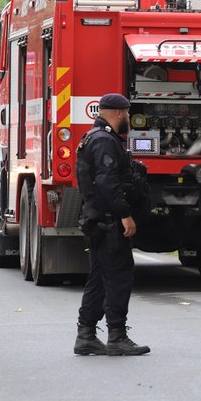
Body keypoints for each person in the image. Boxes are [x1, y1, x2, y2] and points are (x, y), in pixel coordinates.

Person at [73, 93, 150, 356]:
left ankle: (86, 336)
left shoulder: (93, 138)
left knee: (98, 279)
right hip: (108, 221)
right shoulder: (105, 141)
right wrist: (124, 214)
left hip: (97, 220)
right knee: (118, 276)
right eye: (127, 113)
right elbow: (107, 184)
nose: (128, 118)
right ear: (118, 113)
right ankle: (117, 335)